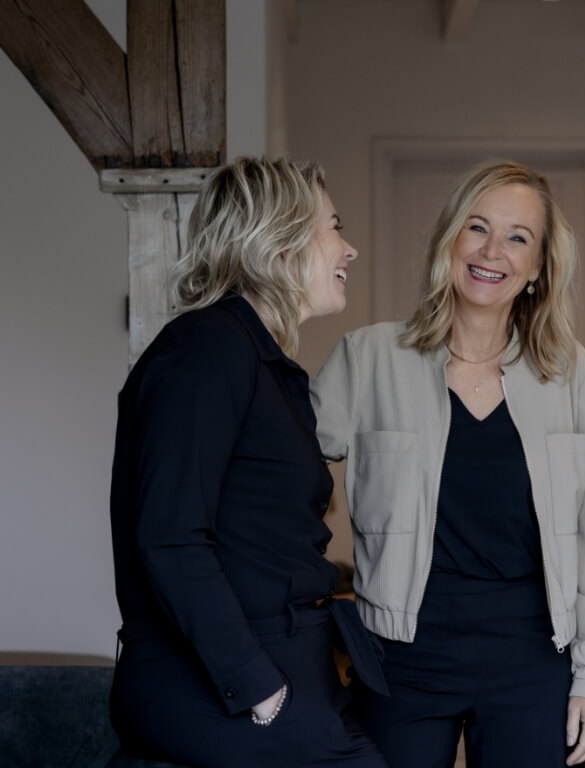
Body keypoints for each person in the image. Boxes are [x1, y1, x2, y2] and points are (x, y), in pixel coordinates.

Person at [311, 159, 585, 767]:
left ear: (539, 266)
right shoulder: (369, 357)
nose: (492, 251)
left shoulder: (567, 370)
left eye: (518, 237)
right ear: (449, 239)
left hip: (533, 655)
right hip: (400, 655)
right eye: (477, 227)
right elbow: (276, 473)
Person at [109, 156, 388, 767]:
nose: (349, 249)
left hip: (283, 670)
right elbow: (170, 537)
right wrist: (260, 690)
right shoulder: (207, 348)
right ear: (278, 240)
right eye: (333, 227)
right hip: (223, 684)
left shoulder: (259, 362)